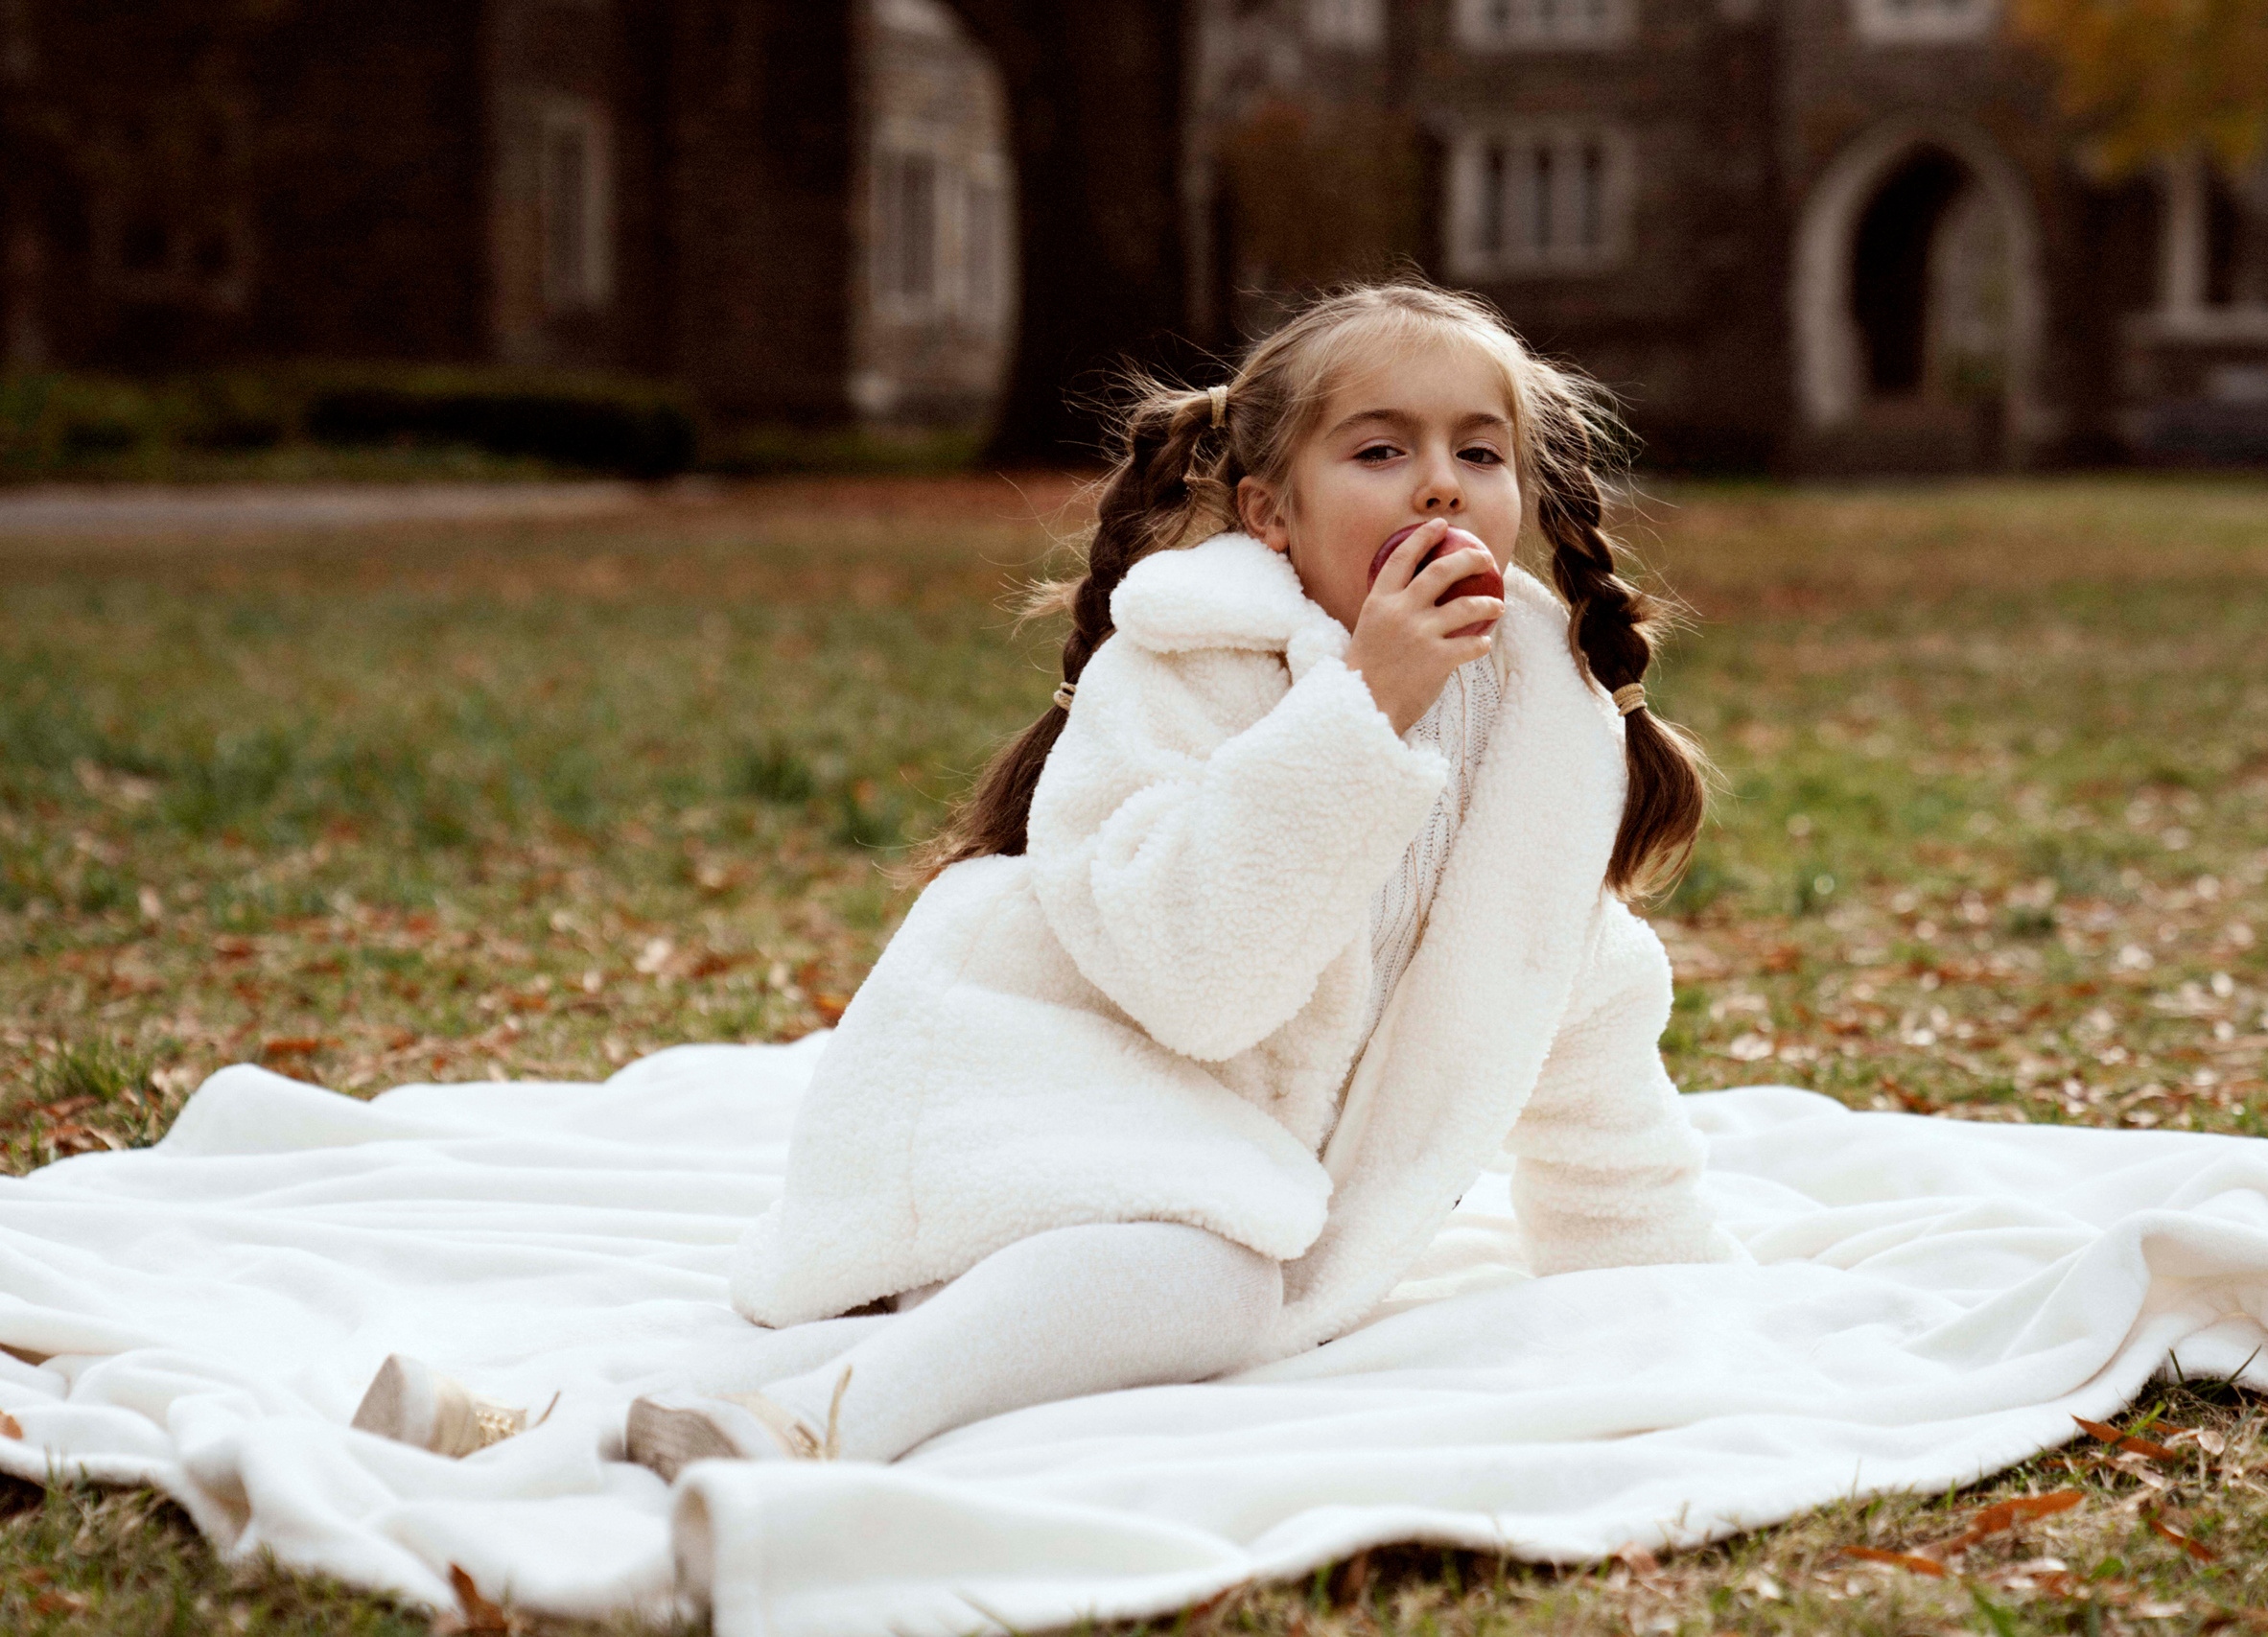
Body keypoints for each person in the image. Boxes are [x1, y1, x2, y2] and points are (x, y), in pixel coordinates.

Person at [350, 281, 1741, 1474]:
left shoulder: (1543, 739)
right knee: (1204, 1277)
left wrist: (1676, 1303)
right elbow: (1198, 978)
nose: (1441, 483)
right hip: (1024, 1081)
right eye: (1381, 449)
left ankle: (537, 1425)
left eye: (1479, 452)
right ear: (1269, 509)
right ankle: (815, 1427)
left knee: (1181, 1269)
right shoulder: (1179, 671)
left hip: (1190, 1161)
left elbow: (1563, 1006)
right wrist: (1363, 711)